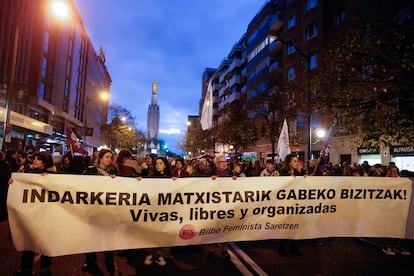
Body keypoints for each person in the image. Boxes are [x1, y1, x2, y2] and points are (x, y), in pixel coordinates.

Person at [15, 152, 55, 276]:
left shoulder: (54, 176)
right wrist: (13, 183)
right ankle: (26, 269)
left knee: (46, 242)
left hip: (47, 214)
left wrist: (48, 179)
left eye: (39, 159)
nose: (35, 161)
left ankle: (45, 268)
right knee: (29, 241)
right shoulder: (27, 174)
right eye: (35, 159)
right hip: (31, 214)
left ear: (45, 162)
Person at [81, 149, 118, 275]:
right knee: (93, 237)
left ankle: (109, 261)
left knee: (109, 237)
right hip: (94, 210)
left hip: (109, 211)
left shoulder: (113, 171)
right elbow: (79, 184)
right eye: (107, 157)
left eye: (111, 157)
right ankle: (90, 261)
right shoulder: (91, 170)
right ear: (100, 158)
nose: (109, 159)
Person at [143, 157, 172, 266]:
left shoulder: (171, 179)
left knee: (163, 232)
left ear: (165, 165)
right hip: (153, 210)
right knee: (151, 232)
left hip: (166, 211)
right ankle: (150, 253)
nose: (158, 165)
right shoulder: (151, 178)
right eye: (156, 164)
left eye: (160, 163)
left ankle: (161, 254)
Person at [278, 154, 305, 257]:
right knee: (286, 226)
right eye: (294, 161)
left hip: (296, 203)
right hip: (286, 204)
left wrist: (303, 175)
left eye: (297, 161)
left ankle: (293, 247)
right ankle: (282, 248)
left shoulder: (299, 172)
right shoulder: (283, 173)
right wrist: (290, 179)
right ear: (289, 163)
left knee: (295, 225)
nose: (296, 163)